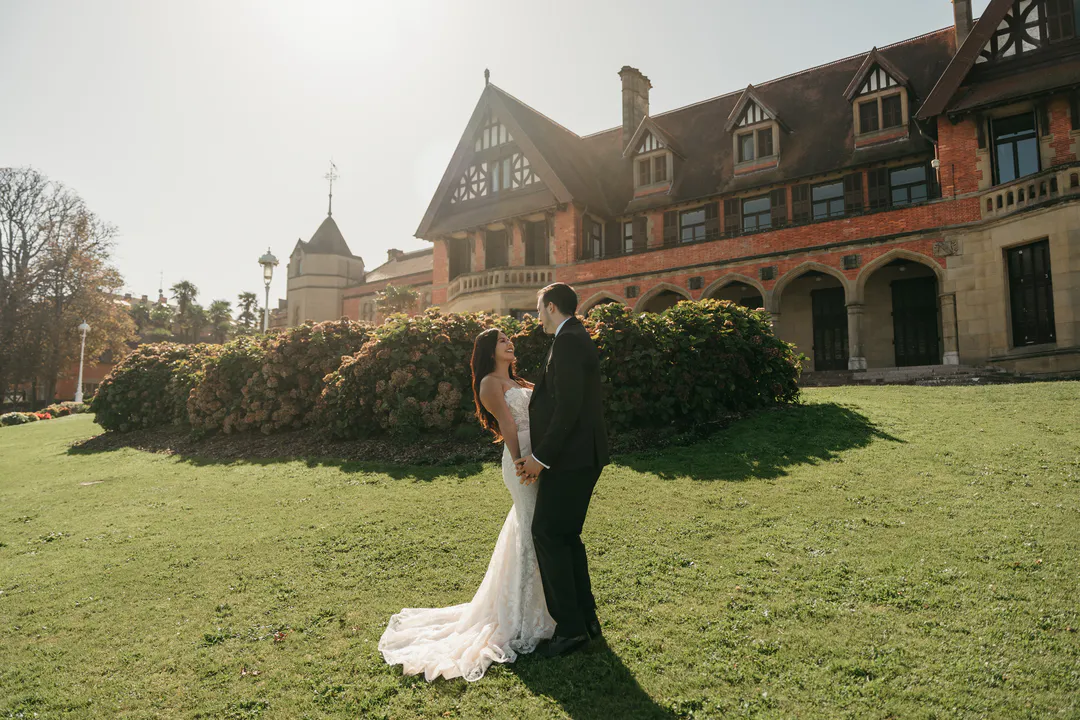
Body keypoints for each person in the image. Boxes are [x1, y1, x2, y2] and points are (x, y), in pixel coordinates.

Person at [378, 328, 554, 682]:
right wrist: (522, 462)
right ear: (489, 350)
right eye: (502, 339)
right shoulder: (490, 382)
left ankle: (547, 605)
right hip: (520, 459)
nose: (509, 342)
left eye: (509, 338)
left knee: (534, 528)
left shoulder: (518, 379)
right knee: (530, 528)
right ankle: (526, 616)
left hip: (538, 458)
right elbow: (506, 423)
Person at [515, 282, 610, 658]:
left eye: (539, 309)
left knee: (549, 533)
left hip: (571, 458)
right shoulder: (571, 336)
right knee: (566, 536)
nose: (537, 316)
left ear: (552, 307)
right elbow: (560, 394)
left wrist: (541, 458)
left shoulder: (569, 340)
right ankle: (585, 620)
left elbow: (569, 408)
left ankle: (570, 630)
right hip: (579, 456)